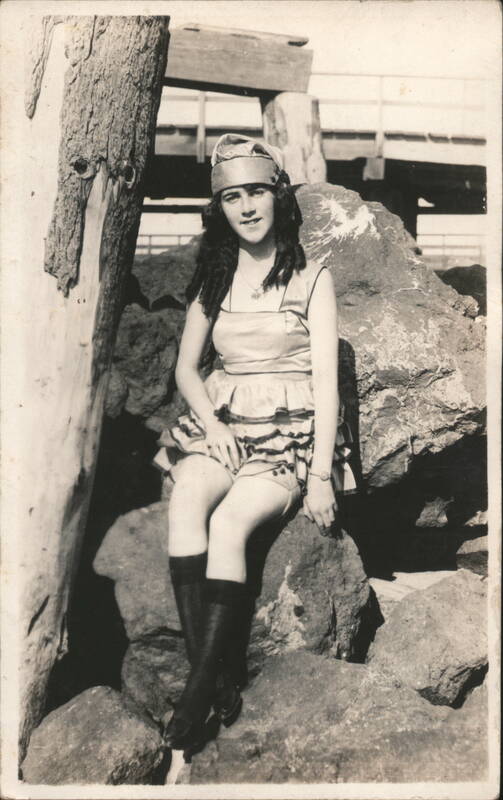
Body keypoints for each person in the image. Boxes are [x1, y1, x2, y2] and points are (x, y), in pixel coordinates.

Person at [154, 134, 355, 753]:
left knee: (233, 522)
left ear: (279, 197)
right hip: (227, 421)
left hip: (288, 432)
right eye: (232, 197)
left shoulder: (311, 277)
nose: (246, 207)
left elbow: (327, 383)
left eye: (257, 193)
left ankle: (197, 691)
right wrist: (211, 426)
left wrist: (321, 475)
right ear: (219, 208)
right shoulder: (214, 278)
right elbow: (188, 369)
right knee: (188, 497)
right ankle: (212, 677)